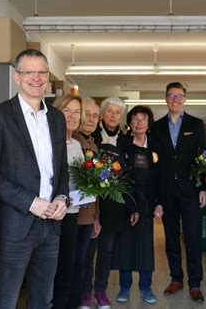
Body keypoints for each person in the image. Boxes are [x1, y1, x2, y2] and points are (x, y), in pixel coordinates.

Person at [0, 49, 69, 308]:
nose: (36, 77)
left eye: (41, 71)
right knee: (5, 299)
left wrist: (62, 197)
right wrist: (30, 202)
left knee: (44, 299)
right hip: (15, 226)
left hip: (51, 227)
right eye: (28, 71)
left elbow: (61, 167)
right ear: (16, 76)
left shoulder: (57, 118)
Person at [151, 81, 206, 302]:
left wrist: (203, 187)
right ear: (165, 99)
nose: (175, 100)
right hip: (167, 192)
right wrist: (157, 198)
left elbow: (204, 158)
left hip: (191, 190)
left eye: (179, 96)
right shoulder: (156, 127)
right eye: (171, 96)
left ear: (185, 99)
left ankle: (195, 283)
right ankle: (176, 278)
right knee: (171, 238)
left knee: (193, 237)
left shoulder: (197, 124)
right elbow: (155, 164)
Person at [83, 97, 138, 309]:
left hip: (115, 206)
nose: (113, 115)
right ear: (102, 114)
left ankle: (101, 291)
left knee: (106, 252)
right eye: (109, 111)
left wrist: (132, 206)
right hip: (91, 203)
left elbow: (129, 176)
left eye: (117, 112)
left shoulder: (126, 141)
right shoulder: (91, 136)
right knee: (87, 251)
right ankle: (85, 292)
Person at [113, 105, 163, 305]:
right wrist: (130, 206)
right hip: (127, 202)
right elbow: (119, 175)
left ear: (149, 123)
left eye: (143, 119)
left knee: (145, 247)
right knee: (125, 246)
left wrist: (159, 204)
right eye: (135, 119)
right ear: (130, 123)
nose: (139, 122)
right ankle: (125, 287)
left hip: (148, 203)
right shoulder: (122, 142)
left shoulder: (156, 146)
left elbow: (160, 178)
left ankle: (145, 287)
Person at [51, 94, 84, 309]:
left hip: (72, 215)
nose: (72, 116)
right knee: (51, 270)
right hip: (52, 215)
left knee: (67, 268)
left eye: (76, 112)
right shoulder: (52, 142)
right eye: (67, 111)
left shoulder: (77, 144)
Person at [68, 97, 101, 309]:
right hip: (72, 215)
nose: (90, 119)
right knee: (71, 265)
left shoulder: (92, 143)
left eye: (94, 115)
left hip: (88, 216)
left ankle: (80, 300)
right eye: (86, 114)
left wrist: (96, 217)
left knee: (83, 263)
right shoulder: (73, 141)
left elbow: (95, 188)